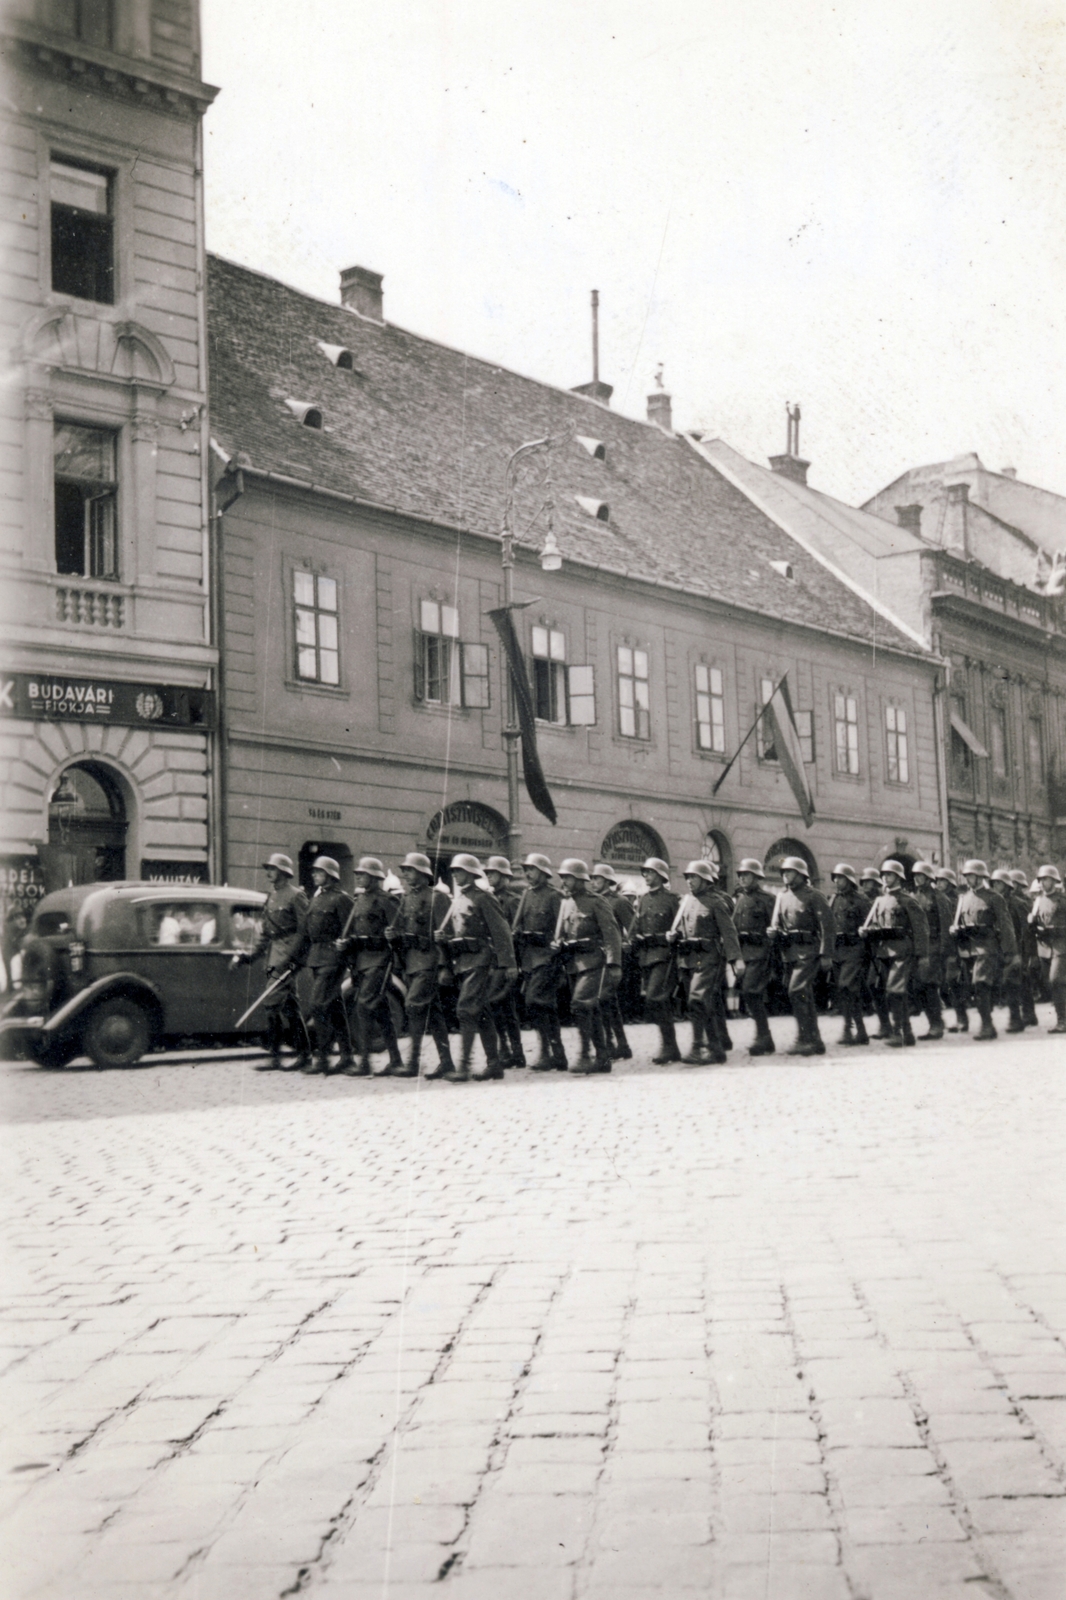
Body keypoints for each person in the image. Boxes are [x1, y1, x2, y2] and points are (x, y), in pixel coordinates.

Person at [435, 853, 516, 1082]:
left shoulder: (484, 898)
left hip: (481, 961)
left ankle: (463, 1066)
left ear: (471, 873)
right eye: (453, 871)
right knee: (481, 1014)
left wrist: (508, 963)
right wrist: (444, 937)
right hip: (463, 962)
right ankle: (494, 1064)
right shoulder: (457, 900)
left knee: (465, 1010)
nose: (455, 874)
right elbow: (457, 933)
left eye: (459, 871)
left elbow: (501, 932)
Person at [232, 852, 310, 1071]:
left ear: (284, 872)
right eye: (268, 869)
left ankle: (276, 1057)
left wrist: (294, 959)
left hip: (287, 957)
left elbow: (305, 931)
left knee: (271, 1004)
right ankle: (305, 1055)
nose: (269, 872)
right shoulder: (271, 897)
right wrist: (249, 957)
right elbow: (266, 934)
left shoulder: (296, 896)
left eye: (273, 869)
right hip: (273, 957)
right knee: (290, 1007)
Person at [387, 852, 455, 1078]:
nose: (405, 873)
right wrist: (392, 935)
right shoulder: (406, 898)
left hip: (430, 960)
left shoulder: (437, 897)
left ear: (424, 874)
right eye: (405, 870)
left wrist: (445, 966)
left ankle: (413, 1063)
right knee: (433, 1013)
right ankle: (447, 1063)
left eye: (410, 870)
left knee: (414, 1005)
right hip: (411, 962)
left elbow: (447, 934)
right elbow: (402, 932)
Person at [552, 858, 622, 1073]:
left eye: (568, 878)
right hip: (574, 963)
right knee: (590, 1010)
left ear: (580, 879)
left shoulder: (597, 901)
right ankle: (603, 1058)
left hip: (594, 962)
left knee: (580, 1005)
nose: (564, 881)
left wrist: (614, 964)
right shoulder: (566, 903)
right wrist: (558, 944)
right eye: (562, 877)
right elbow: (561, 934)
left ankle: (584, 1054)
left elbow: (612, 935)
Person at [668, 860, 741, 1065]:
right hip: (689, 959)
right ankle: (716, 1048)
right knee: (702, 1004)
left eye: (694, 877)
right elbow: (685, 928)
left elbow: (729, 932)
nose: (690, 881)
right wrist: (674, 936)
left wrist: (736, 959)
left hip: (710, 958)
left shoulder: (716, 902)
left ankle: (697, 1047)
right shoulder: (686, 902)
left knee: (697, 1000)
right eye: (688, 877)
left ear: (706, 880)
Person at [291, 855, 354, 1073]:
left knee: (318, 1006)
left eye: (319, 872)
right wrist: (294, 957)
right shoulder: (315, 899)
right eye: (314, 872)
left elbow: (351, 930)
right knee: (335, 1008)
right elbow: (306, 933)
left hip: (333, 959)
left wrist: (345, 944)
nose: (314, 875)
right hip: (316, 959)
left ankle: (323, 1058)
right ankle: (347, 1057)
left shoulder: (342, 899)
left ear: (330, 875)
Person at [340, 856, 401, 1076]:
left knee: (364, 1007)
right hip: (361, 959)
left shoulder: (387, 900)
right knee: (381, 1009)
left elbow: (398, 930)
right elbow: (356, 931)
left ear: (375, 878)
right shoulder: (359, 901)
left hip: (380, 958)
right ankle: (395, 1060)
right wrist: (347, 943)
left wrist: (392, 938)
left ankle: (364, 1063)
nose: (358, 876)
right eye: (357, 873)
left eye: (363, 874)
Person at [768, 857, 835, 1056]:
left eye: (790, 871)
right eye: (784, 872)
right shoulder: (782, 896)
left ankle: (804, 1038)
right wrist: (774, 932)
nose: (785, 875)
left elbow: (828, 926)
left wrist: (826, 954)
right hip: (789, 952)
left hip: (809, 951)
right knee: (804, 994)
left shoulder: (814, 896)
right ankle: (814, 1040)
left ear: (801, 874)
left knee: (796, 991)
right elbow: (777, 924)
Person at [860, 860, 930, 1047]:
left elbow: (921, 929)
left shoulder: (908, 901)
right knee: (874, 986)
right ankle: (905, 1032)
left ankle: (897, 1032)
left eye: (889, 875)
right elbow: (875, 924)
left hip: (902, 950)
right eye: (883, 875)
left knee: (895, 990)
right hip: (883, 951)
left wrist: (922, 956)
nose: (885, 878)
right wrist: (866, 931)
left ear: (898, 877)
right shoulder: (879, 901)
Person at [950, 859, 1018, 1040]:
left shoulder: (994, 897)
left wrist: (1010, 952)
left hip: (987, 947)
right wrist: (954, 929)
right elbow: (958, 922)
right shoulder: (963, 898)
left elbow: (1006, 925)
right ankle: (986, 1024)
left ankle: (987, 1026)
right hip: (968, 949)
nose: (968, 879)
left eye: (971, 875)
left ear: (981, 876)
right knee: (974, 987)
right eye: (966, 876)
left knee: (980, 984)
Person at [512, 852, 566, 1072]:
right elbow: (518, 924)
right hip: (530, 959)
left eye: (532, 870)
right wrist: (517, 933)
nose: (527, 873)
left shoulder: (555, 896)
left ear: (544, 873)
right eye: (526, 870)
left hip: (548, 958)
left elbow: (562, 928)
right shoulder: (526, 894)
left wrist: (555, 945)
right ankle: (555, 1053)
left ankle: (549, 1052)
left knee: (534, 1001)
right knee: (544, 1005)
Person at [629, 857, 681, 1064]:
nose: (646, 876)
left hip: (664, 956)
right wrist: (633, 939)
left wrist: (673, 937)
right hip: (646, 956)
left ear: (660, 875)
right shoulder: (642, 900)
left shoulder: (672, 899)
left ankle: (669, 1045)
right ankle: (670, 1046)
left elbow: (681, 928)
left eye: (649, 872)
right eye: (645, 873)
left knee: (656, 998)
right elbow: (636, 926)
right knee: (656, 1001)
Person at [484, 855, 526, 1069]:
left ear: (503, 875)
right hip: (494, 960)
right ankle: (512, 1052)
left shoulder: (512, 900)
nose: (489, 876)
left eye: (492, 873)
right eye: (488, 873)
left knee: (500, 1005)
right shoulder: (490, 898)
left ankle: (511, 1051)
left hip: (507, 962)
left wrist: (513, 962)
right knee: (504, 1008)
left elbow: (517, 932)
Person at [732, 858, 777, 1057]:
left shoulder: (767, 899)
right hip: (745, 953)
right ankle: (764, 1037)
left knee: (751, 991)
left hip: (760, 952)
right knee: (751, 994)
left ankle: (763, 1036)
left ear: (756, 877)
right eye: (740, 875)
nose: (742, 878)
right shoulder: (740, 899)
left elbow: (775, 926)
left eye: (746, 875)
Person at [589, 862, 634, 1061]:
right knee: (608, 1002)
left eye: (596, 878)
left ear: (607, 881)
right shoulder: (593, 900)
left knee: (604, 1000)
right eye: (591, 878)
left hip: (612, 957)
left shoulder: (619, 901)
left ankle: (611, 1044)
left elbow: (633, 925)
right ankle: (620, 1044)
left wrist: (627, 942)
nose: (593, 882)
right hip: (596, 958)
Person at [828, 864, 869, 1046]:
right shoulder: (833, 900)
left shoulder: (861, 901)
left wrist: (864, 932)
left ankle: (848, 1030)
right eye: (835, 878)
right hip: (838, 950)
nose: (837, 881)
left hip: (855, 948)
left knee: (847, 986)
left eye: (841, 878)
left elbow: (870, 924)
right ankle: (860, 1031)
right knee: (846, 991)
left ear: (850, 880)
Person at [911, 861, 950, 1041]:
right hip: (918, 947)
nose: (918, 879)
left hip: (934, 946)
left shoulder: (938, 898)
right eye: (916, 876)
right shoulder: (913, 896)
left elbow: (945, 925)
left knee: (929, 985)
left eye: (921, 876)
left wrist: (945, 951)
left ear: (928, 878)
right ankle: (935, 1022)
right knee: (920, 986)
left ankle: (936, 1025)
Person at [1029, 865, 1066, 1032]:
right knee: (1051, 983)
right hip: (1044, 947)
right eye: (1041, 880)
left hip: (1061, 946)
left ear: (1055, 881)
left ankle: (1062, 1021)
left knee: (1056, 980)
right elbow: (1034, 925)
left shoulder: (1063, 900)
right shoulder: (1038, 901)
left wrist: (1056, 929)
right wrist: (1032, 922)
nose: (1043, 882)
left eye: (1047, 879)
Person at [935, 867, 968, 1032]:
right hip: (938, 946)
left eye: (943, 881)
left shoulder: (958, 901)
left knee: (953, 982)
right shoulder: (936, 899)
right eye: (938, 881)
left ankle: (962, 1019)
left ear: (950, 883)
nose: (939, 884)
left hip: (954, 947)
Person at [1009, 869, 1040, 1027]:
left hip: (1021, 945)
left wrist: (1026, 952)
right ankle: (1029, 1015)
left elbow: (1025, 929)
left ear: (1017, 885)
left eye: (1013, 883)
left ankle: (1028, 1014)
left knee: (1021, 979)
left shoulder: (1019, 902)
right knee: (1022, 979)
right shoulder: (1022, 900)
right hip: (1019, 945)